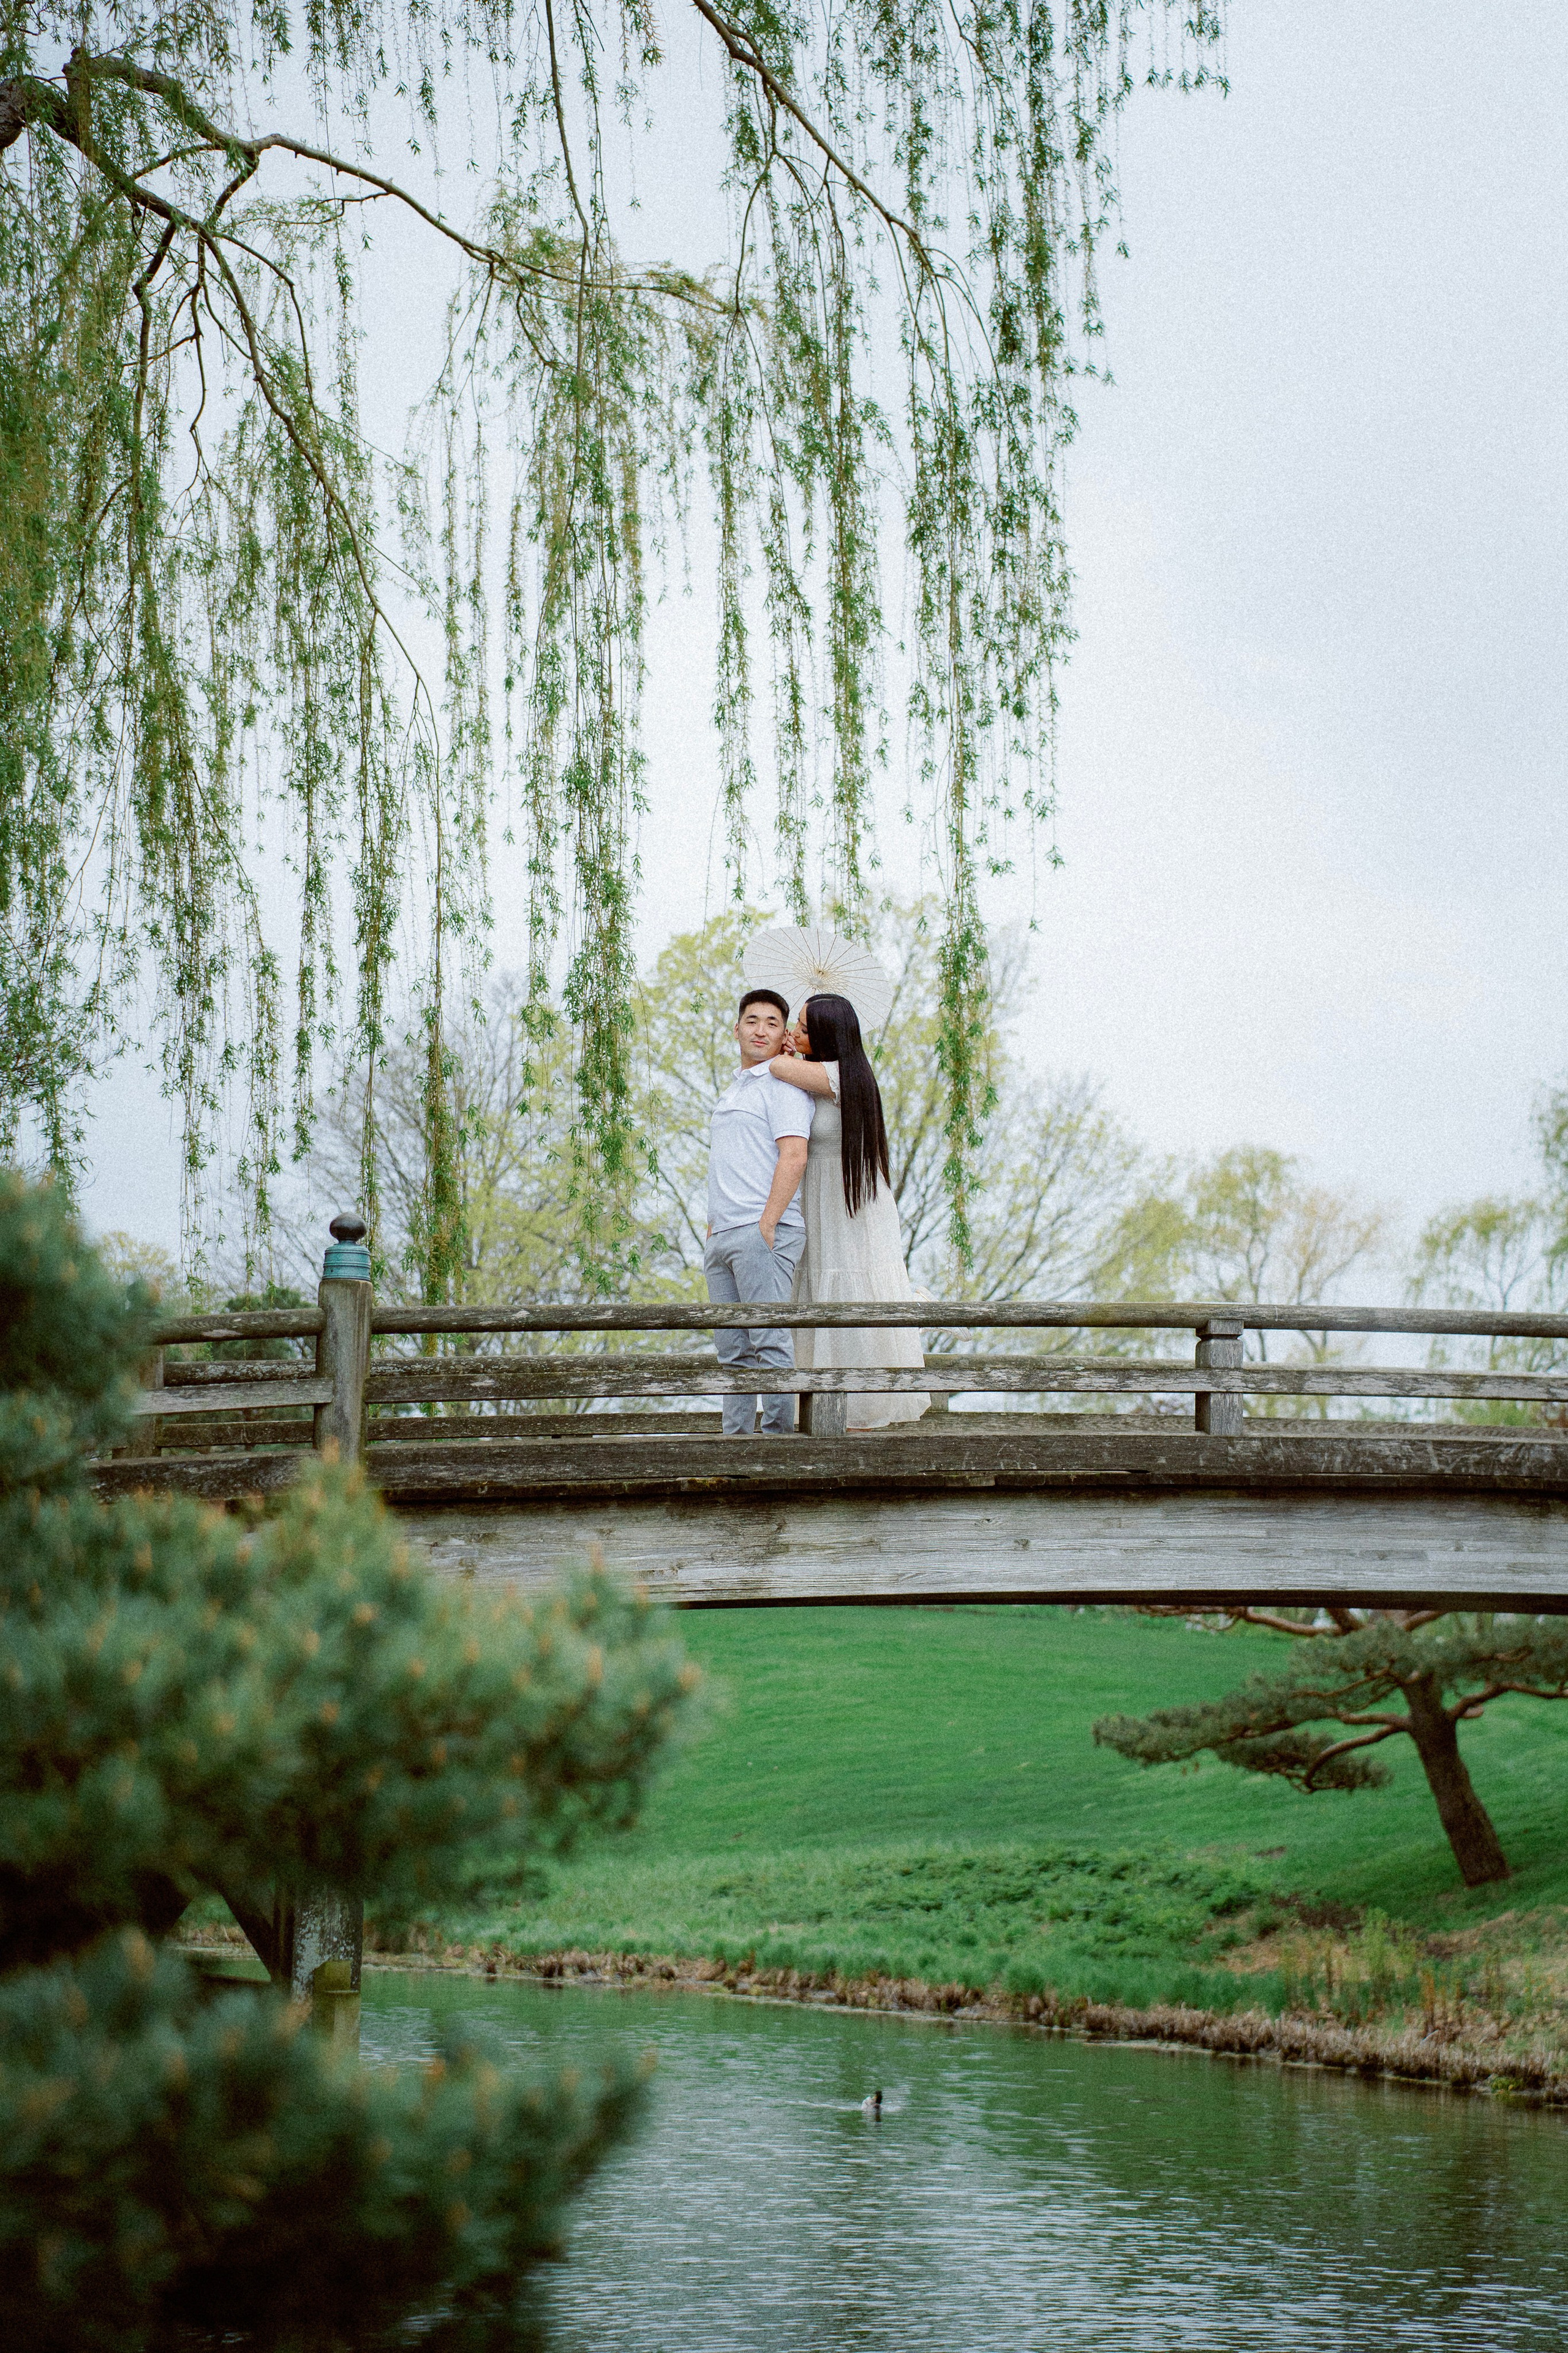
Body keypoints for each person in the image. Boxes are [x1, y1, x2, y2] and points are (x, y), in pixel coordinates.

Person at [766, 992, 928, 1428]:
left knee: (846, 1282)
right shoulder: (833, 1072)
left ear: (825, 1036)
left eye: (801, 1027)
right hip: (823, 1194)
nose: (792, 1033)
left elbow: (778, 1066)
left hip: (843, 1200)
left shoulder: (840, 1074)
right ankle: (815, 1400)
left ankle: (858, 1406)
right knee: (820, 1282)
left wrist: (786, 1052)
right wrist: (796, 1047)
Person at [704, 988, 815, 1435]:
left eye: (773, 1022)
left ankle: (775, 1443)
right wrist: (713, 1227)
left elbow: (795, 1156)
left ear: (784, 1033)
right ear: (737, 1029)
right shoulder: (733, 1090)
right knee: (732, 1349)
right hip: (722, 1236)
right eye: (753, 1020)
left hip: (762, 1230)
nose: (761, 1029)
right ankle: (736, 1443)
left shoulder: (784, 1086)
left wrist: (766, 1224)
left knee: (769, 1339)